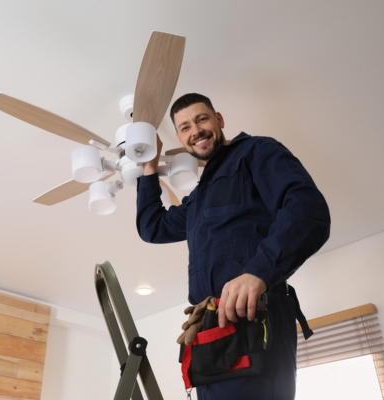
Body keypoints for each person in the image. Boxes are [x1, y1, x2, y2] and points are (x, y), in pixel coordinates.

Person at [136, 93, 331, 400]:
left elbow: (308, 212)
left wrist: (258, 272)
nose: (195, 131)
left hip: (253, 318)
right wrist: (148, 168)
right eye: (185, 127)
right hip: (209, 327)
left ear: (219, 120)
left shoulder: (256, 152)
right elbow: (152, 227)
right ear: (179, 138)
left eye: (201, 119)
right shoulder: (198, 199)